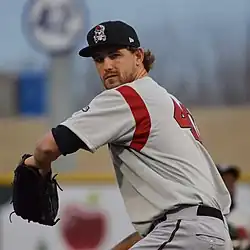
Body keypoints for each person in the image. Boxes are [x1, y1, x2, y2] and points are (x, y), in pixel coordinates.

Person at [23, 20, 233, 249]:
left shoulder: (128, 96)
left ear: (138, 56)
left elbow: (47, 147)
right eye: (99, 59)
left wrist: (35, 165)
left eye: (115, 55)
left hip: (185, 233)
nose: (107, 65)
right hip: (206, 232)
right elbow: (163, 222)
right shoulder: (166, 99)